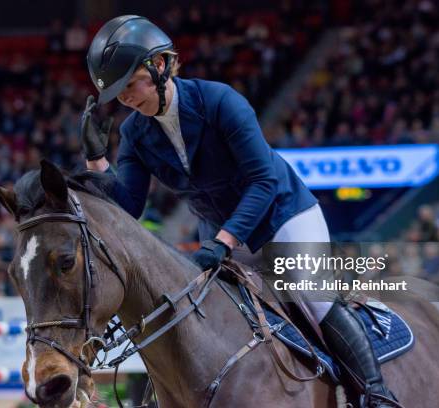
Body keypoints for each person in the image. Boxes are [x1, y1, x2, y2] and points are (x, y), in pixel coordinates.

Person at [81, 15, 400, 407]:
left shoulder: (219, 101)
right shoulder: (135, 134)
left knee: (312, 297)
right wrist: (98, 161)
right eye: (118, 94)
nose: (125, 99)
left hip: (283, 216)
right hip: (220, 232)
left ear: (160, 66)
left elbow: (263, 182)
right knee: (202, 316)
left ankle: (375, 393)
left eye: (129, 85)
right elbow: (127, 207)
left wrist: (224, 241)